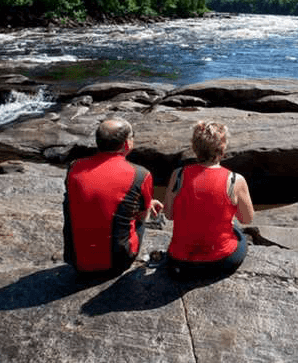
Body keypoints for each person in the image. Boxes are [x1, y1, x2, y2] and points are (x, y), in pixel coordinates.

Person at [63, 118, 163, 277]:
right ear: (126, 144)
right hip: (117, 264)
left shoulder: (74, 167)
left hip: (76, 261)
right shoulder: (141, 175)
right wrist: (147, 204)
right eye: (132, 136)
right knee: (139, 217)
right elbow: (142, 216)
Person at [163, 120, 254, 281]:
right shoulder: (234, 180)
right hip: (220, 261)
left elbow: (169, 215)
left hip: (179, 260)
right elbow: (246, 219)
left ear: (194, 147)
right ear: (223, 148)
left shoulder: (177, 175)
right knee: (240, 233)